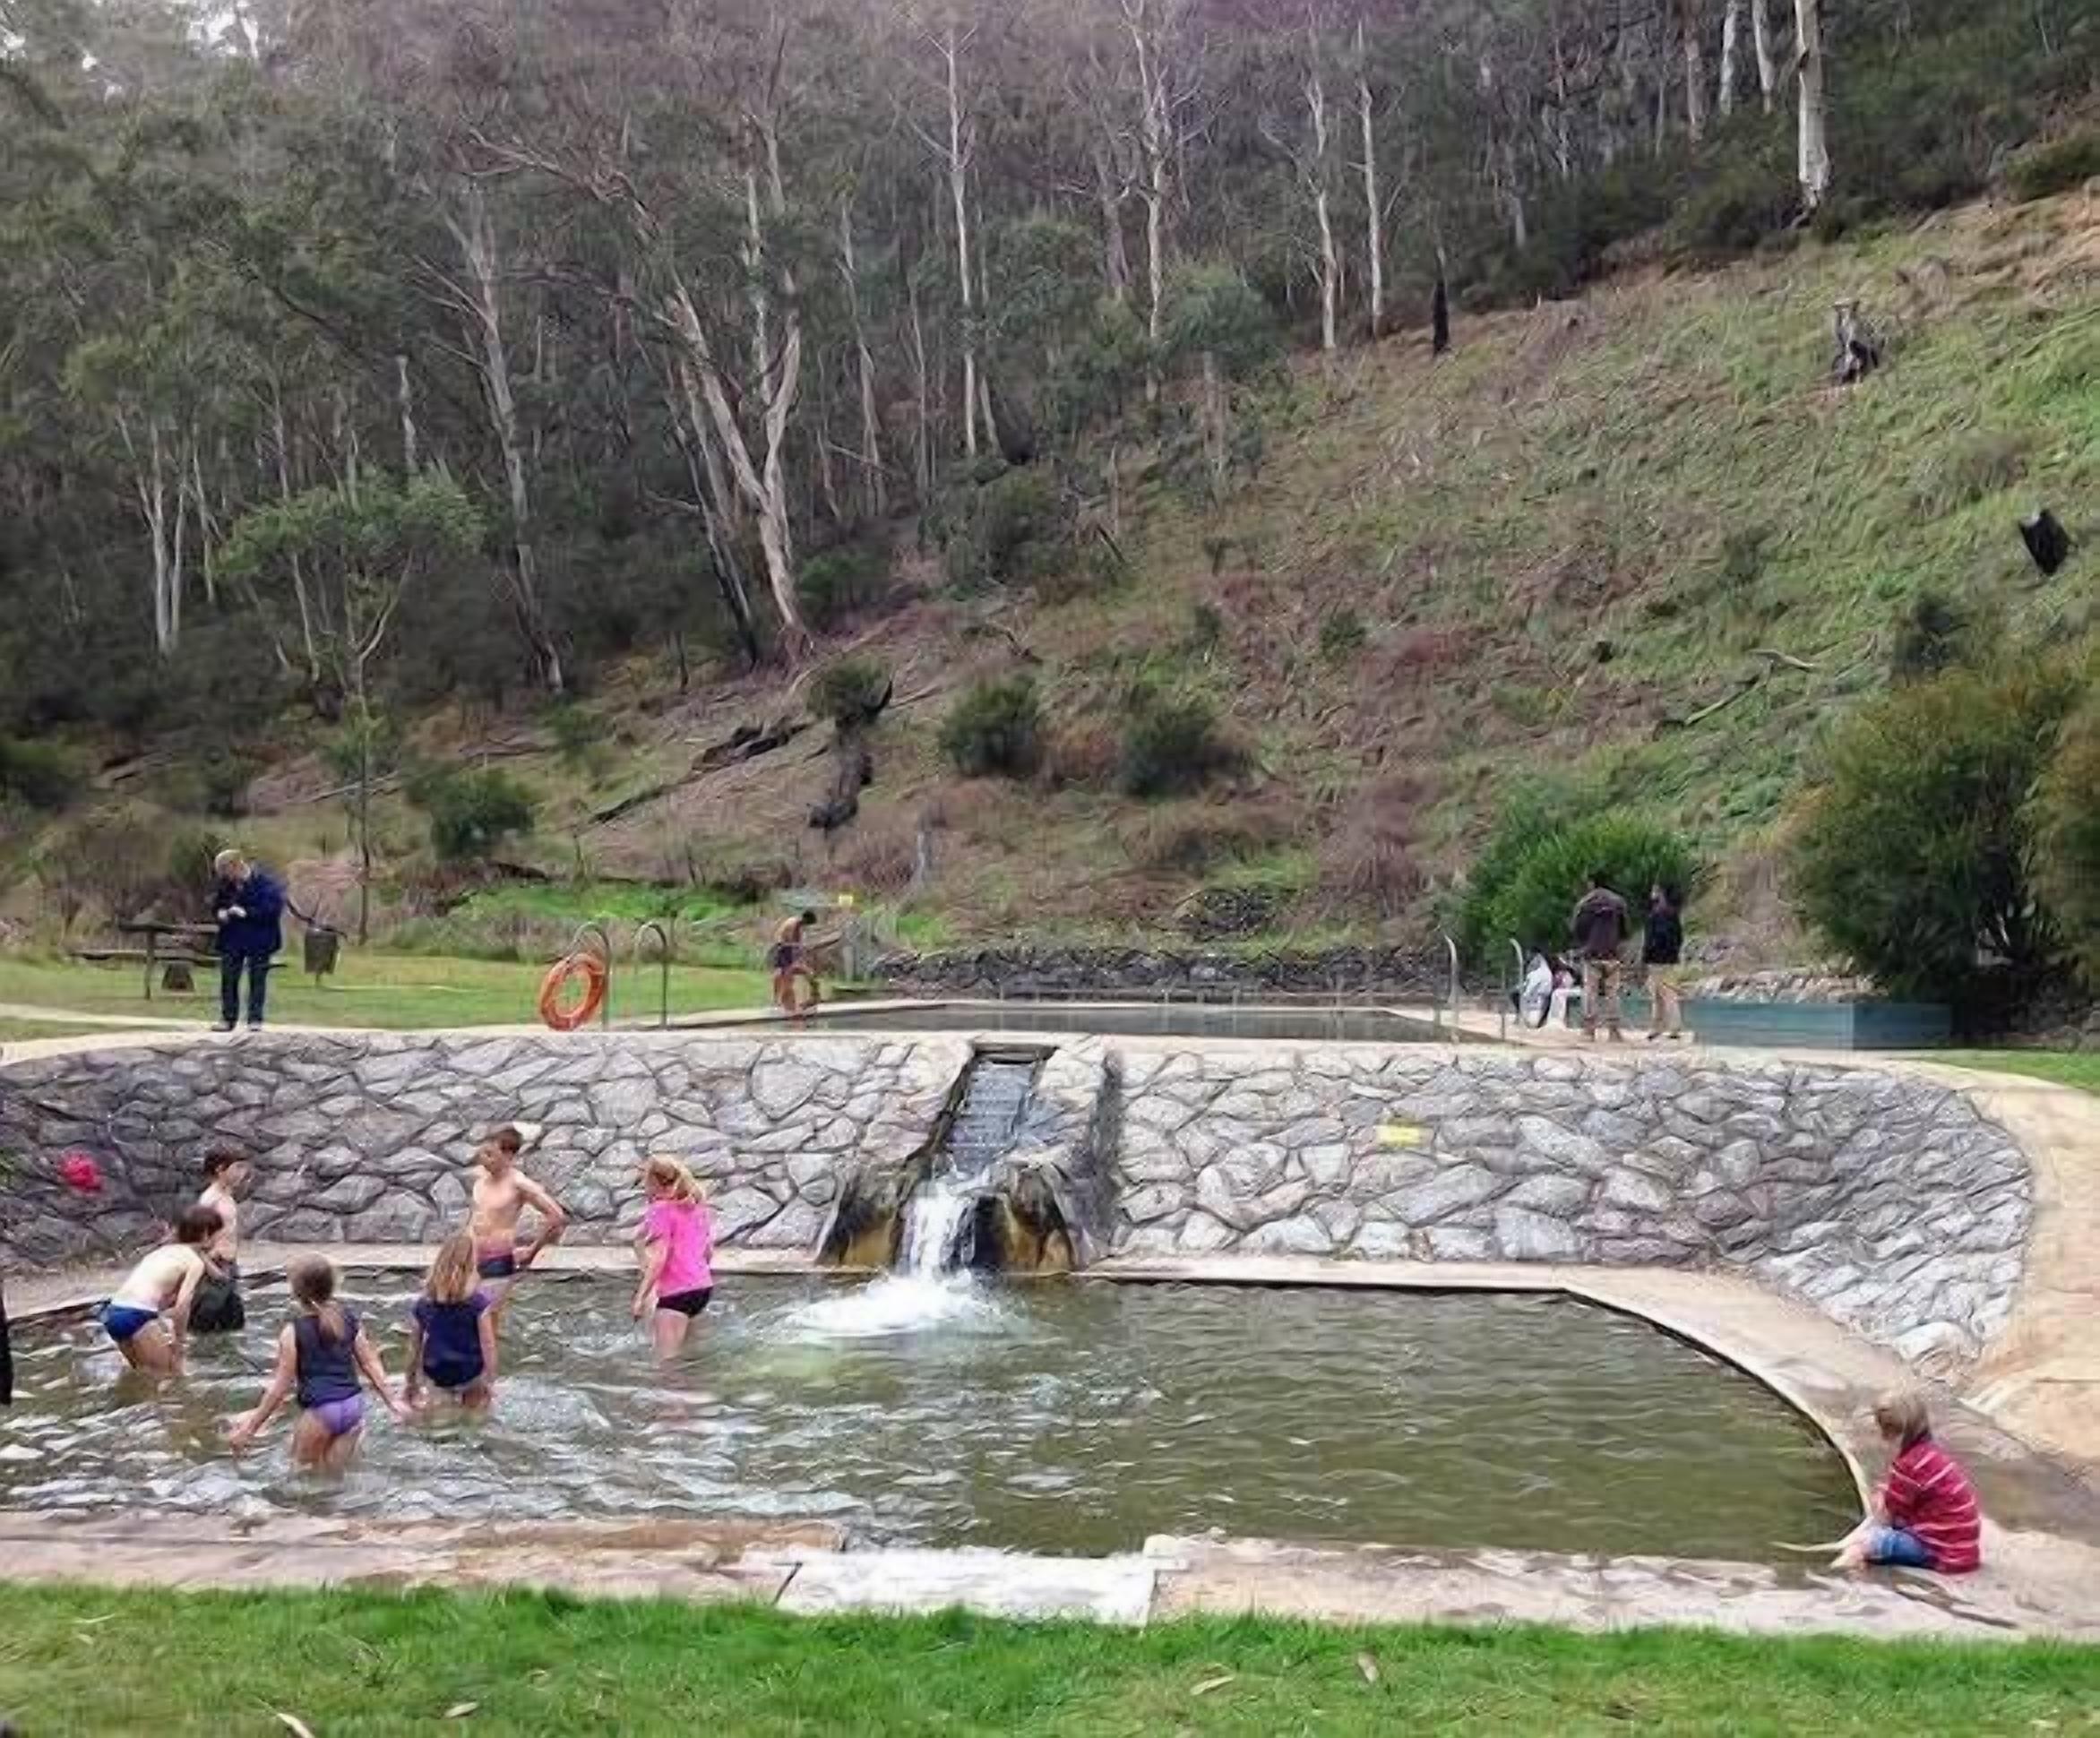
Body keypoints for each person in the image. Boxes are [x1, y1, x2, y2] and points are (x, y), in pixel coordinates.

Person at [228, 1255, 409, 1470]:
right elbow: (370, 1363)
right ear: (333, 1285)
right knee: (333, 1478)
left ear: (295, 1292)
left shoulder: (293, 1332)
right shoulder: (349, 1320)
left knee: (302, 1477)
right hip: (353, 1407)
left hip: (322, 1412)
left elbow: (280, 1388)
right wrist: (392, 1401)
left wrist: (250, 1428)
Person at [1831, 1390, 1983, 1574]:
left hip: (1939, 1551)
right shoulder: (1931, 1454)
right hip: (1963, 1548)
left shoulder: (1908, 1466)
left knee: (1868, 1542)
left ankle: (1842, 1573)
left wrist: (1881, 1501)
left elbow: (1890, 1513)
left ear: (1888, 1432)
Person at [100, 1208, 221, 1376]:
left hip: (112, 1312)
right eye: (217, 1234)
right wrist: (179, 1348)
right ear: (206, 1235)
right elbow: (182, 1306)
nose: (219, 1239)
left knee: (141, 1375)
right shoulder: (194, 1262)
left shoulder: (162, 1252)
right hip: (136, 1315)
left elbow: (155, 1296)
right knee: (170, 1375)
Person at [469, 1125, 569, 1309]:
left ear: (508, 1156)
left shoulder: (519, 1184)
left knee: (485, 1318)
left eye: (490, 1154)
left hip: (497, 1260)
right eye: (483, 1153)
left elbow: (557, 1216)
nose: (484, 1159)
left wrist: (532, 1250)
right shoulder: (481, 1178)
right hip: (471, 1257)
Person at [632, 1157, 716, 1360]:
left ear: (653, 1182)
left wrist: (640, 1297)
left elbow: (660, 1257)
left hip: (676, 1295)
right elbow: (708, 1252)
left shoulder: (660, 1210)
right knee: (690, 1359)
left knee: (667, 1364)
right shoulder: (698, 1207)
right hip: (702, 1289)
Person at [405, 1231, 498, 1412]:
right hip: (470, 1371)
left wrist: (410, 1381)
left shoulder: (424, 1303)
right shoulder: (478, 1303)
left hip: (436, 1370)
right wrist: (490, 1380)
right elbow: (489, 1346)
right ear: (471, 1266)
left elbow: (414, 1347)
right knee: (474, 1418)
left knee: (439, 1417)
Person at [209, 848, 287, 1033]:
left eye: (226, 872)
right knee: (228, 978)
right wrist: (220, 913)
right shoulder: (226, 885)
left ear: (236, 866)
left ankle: (255, 1019)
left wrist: (246, 913)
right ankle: (228, 1018)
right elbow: (217, 904)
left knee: (257, 979)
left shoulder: (265, 884)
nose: (225, 877)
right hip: (232, 938)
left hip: (259, 938)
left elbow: (273, 910)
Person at [190, 1146, 251, 1334]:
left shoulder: (227, 1196)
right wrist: (212, 1269)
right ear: (220, 1169)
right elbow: (193, 1242)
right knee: (204, 1322)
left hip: (229, 1266)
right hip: (214, 1268)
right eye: (238, 1167)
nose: (244, 1173)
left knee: (234, 1322)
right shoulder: (210, 1200)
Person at [1569, 870, 1631, 1043]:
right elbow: (1626, 930)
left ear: (1592, 883)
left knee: (1590, 992)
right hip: (1613, 954)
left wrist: (1584, 944)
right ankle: (1614, 1031)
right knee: (1613, 993)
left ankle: (1590, 1031)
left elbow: (1576, 929)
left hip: (1591, 953)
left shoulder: (1585, 903)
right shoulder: (1619, 902)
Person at [1643, 883, 1687, 1044]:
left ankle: (1661, 1028)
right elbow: (1679, 937)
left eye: (1654, 890)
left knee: (1660, 995)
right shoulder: (1674, 913)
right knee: (1668, 992)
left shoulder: (1656, 914)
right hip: (1670, 959)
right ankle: (1668, 1027)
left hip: (1657, 960)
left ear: (1660, 894)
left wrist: (1649, 953)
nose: (1651, 893)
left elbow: (1655, 937)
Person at [769, 908, 822, 1019]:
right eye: (808, 924)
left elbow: (796, 943)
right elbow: (793, 943)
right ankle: (786, 1003)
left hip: (784, 948)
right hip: (784, 949)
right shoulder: (794, 924)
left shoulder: (795, 921)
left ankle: (778, 1000)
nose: (807, 926)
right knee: (787, 976)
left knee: (783, 975)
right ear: (806, 919)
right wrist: (800, 954)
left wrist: (801, 950)